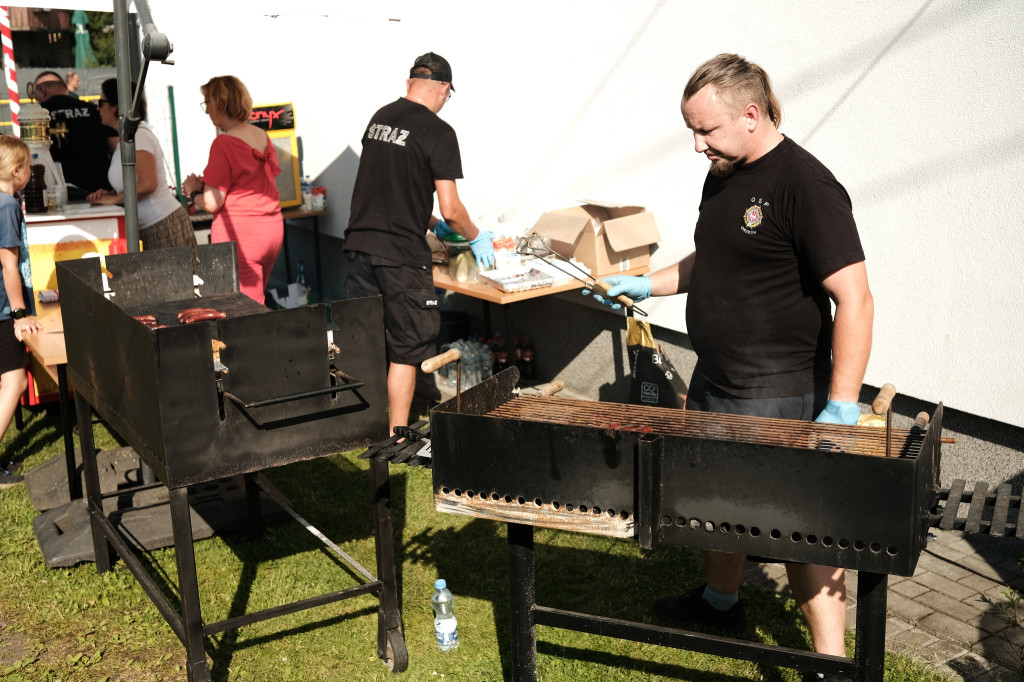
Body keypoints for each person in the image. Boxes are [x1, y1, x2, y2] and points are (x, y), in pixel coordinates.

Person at [584, 53, 874, 666]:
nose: (697, 145)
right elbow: (711, 257)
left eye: (706, 130)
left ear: (750, 114)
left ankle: (830, 662)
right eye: (692, 129)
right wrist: (644, 282)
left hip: (780, 391)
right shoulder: (725, 172)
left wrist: (842, 405)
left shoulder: (806, 186)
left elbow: (855, 298)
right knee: (716, 499)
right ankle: (722, 602)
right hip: (719, 377)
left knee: (800, 525)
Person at [343, 52, 494, 435]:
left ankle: (360, 424)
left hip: (359, 247)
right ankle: (396, 434)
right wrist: (474, 236)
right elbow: (452, 206)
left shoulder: (380, 118)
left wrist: (434, 225)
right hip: (401, 257)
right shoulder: (439, 132)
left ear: (410, 82)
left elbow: (388, 189)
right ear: (443, 88)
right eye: (448, 93)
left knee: (368, 343)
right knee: (406, 351)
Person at [182, 76, 283, 303]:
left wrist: (193, 191)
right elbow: (246, 182)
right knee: (258, 301)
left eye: (207, 103)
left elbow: (212, 202)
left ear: (220, 103)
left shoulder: (223, 143)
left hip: (243, 236)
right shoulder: (261, 135)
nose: (206, 110)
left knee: (244, 310)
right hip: (272, 230)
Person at [86, 79, 198, 261]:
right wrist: (111, 192)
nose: (97, 109)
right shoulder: (128, 136)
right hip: (154, 225)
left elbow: (148, 184)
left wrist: (114, 199)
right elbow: (134, 182)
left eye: (101, 103)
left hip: (163, 225)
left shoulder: (138, 135)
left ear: (116, 107)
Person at [0, 136, 43, 488]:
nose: (31, 172)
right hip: (3, 309)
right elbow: (9, 265)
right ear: (17, 171)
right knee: (14, 381)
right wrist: (19, 315)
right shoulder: (8, 206)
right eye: (29, 166)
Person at [32, 71, 113, 199]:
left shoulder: (36, 118)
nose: (37, 101)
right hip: (101, 192)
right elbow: (116, 148)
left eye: (36, 97)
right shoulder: (94, 110)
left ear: (42, 90)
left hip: (61, 194)